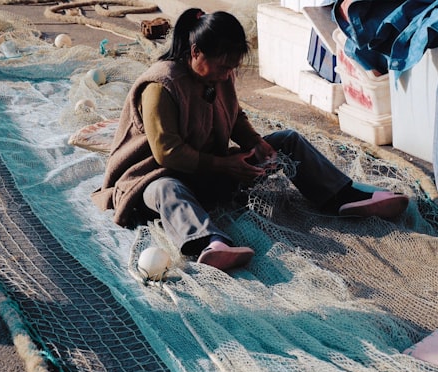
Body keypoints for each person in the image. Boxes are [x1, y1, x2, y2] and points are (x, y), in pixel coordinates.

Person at [94, 8, 410, 272]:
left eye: (231, 67)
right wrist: (225, 165)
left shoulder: (220, 75)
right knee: (168, 187)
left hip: (207, 174)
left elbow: (233, 117)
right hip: (151, 182)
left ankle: (342, 195)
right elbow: (168, 155)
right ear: (196, 52)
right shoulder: (161, 86)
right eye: (222, 66)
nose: (226, 74)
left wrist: (255, 144)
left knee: (287, 141)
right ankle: (209, 242)